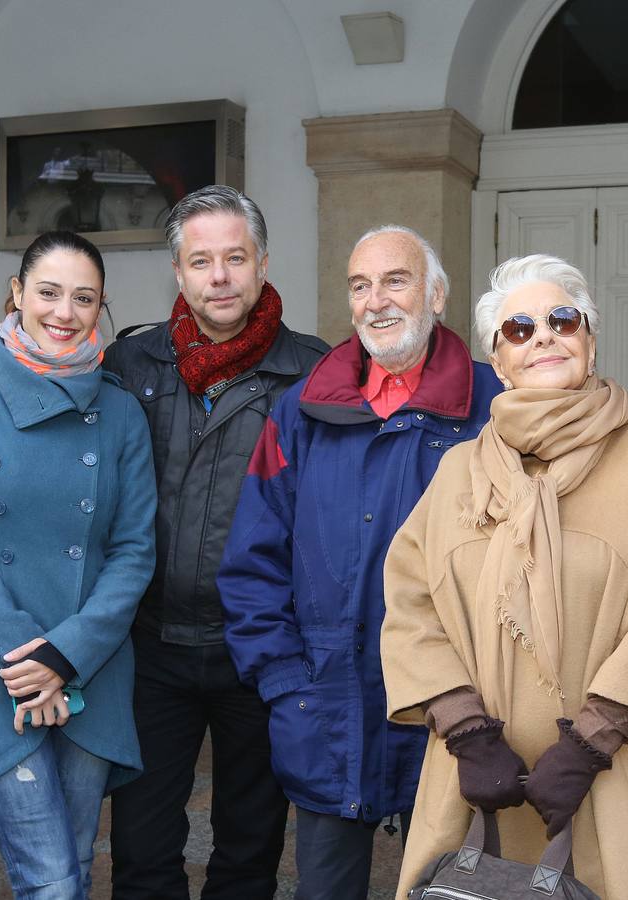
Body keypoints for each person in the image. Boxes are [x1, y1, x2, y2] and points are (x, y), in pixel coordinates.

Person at [0, 185, 327, 900]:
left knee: (250, 848)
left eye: (235, 257)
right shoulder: (131, 366)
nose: (219, 275)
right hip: (148, 649)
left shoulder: (315, 374)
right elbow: (34, 387)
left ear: (262, 263)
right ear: (178, 272)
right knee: (138, 854)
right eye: (201, 260)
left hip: (258, 648)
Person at [380, 254, 628, 899]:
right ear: (498, 364)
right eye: (518, 329)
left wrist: (590, 744)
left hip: (613, 778)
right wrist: (468, 730)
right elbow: (410, 602)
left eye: (563, 319)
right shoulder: (458, 472)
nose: (543, 336)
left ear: (589, 339)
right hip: (479, 789)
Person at [216, 225, 501, 899]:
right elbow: (251, 565)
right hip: (325, 711)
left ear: (435, 293)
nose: (376, 301)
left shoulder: (493, 406)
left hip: (458, 714)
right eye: (360, 285)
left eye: (394, 280)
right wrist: (286, 686)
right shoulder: (301, 412)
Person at [0, 230, 157, 898]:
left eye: (83, 298)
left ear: (101, 307)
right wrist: (27, 656)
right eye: (48, 292)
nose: (64, 312)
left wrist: (65, 655)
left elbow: (134, 551)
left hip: (89, 670)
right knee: (51, 879)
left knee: (73, 863)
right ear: (17, 294)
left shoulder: (121, 412)